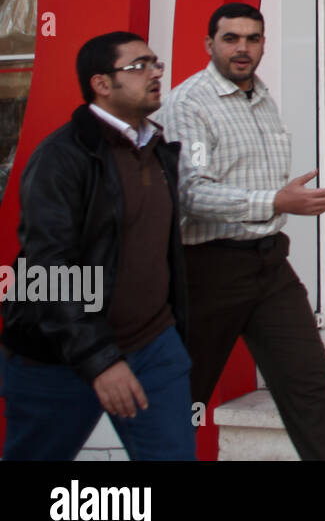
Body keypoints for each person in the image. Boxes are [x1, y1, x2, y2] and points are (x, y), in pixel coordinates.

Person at [159, 2, 325, 460]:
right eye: (231, 38)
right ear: (209, 44)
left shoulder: (262, 97)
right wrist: (277, 201)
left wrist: (282, 203)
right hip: (208, 270)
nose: (243, 48)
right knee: (179, 400)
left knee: (311, 390)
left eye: (252, 38)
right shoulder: (187, 103)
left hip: (269, 265)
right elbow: (191, 194)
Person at [1, 31, 194, 460]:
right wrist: (99, 360)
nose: (156, 73)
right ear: (101, 84)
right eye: (139, 66)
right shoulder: (63, 157)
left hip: (152, 346)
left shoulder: (157, 149)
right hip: (57, 359)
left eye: (155, 62)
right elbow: (47, 271)